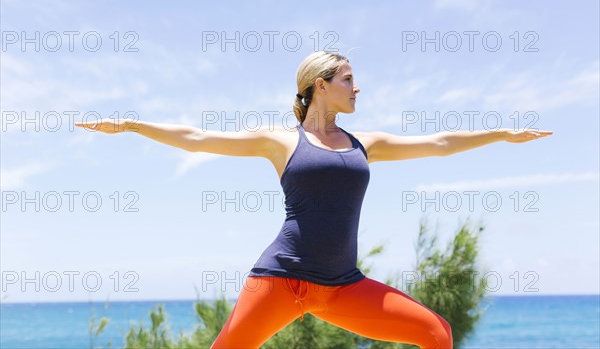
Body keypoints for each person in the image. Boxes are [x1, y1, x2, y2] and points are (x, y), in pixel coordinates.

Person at [75, 51, 552, 348]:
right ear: (320, 85)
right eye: (348, 79)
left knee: (436, 333)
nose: (357, 86)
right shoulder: (279, 142)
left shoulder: (366, 143)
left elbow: (441, 143)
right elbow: (198, 138)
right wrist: (132, 124)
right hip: (280, 280)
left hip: (343, 285)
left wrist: (503, 135)